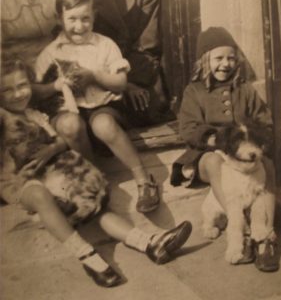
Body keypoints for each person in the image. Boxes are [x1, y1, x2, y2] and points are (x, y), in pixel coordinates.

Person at [0, 57, 193, 288]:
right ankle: (86, 256)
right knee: (41, 195)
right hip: (21, 180)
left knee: (95, 207)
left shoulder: (33, 114)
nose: (18, 94)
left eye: (22, 86)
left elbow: (60, 141)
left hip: (54, 173)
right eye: (7, 90)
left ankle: (150, 243)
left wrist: (52, 148)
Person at [33, 0, 161, 214]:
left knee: (103, 124)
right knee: (70, 125)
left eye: (85, 19)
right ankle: (94, 182)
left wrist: (93, 76)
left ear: (94, 16)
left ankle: (144, 180)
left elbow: (120, 83)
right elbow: (37, 91)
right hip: (69, 111)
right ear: (59, 18)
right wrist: (56, 85)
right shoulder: (51, 52)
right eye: (72, 19)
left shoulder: (105, 45)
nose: (79, 26)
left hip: (104, 105)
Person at [170, 27, 279, 272]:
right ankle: (241, 229)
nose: (225, 64)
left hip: (243, 151)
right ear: (205, 60)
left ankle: (265, 238)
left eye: (231, 58)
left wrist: (259, 142)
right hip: (208, 152)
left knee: (268, 166)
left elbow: (264, 121)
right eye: (218, 58)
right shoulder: (194, 91)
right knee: (213, 162)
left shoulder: (245, 89)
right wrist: (216, 141)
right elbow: (187, 127)